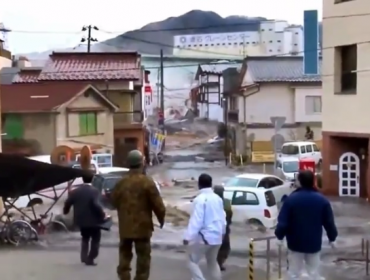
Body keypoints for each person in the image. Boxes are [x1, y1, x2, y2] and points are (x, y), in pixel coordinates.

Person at [111, 149, 166, 280]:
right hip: (143, 228)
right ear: (142, 163)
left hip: (125, 228)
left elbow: (113, 202)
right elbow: (158, 205)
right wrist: (161, 218)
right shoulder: (147, 182)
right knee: (143, 258)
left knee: (124, 256)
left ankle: (124, 277)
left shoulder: (121, 183)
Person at [275, 170, 338, 280]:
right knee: (314, 273)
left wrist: (279, 236)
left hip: (295, 244)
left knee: (294, 273)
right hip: (314, 244)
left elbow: (283, 222)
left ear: (299, 182)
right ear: (313, 182)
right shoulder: (322, 200)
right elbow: (329, 222)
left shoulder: (291, 200)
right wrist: (332, 238)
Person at [183, 174, 226, 280]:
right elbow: (223, 218)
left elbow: (196, 220)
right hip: (218, 236)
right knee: (212, 262)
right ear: (211, 184)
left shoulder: (200, 199)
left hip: (205, 237)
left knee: (191, 261)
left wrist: (188, 237)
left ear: (199, 184)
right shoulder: (218, 199)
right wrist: (223, 233)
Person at [63, 174, 106, 266]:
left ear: (82, 179)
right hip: (94, 221)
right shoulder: (94, 191)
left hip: (81, 220)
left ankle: (84, 257)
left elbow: (68, 202)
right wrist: (103, 215)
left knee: (85, 238)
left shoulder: (76, 191)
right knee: (95, 239)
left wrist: (65, 211)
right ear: (92, 179)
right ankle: (90, 258)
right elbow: (96, 204)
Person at [214, 185, 233, 271]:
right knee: (224, 248)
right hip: (223, 229)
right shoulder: (226, 202)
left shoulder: (211, 202)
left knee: (220, 247)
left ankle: (217, 263)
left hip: (215, 229)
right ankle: (218, 263)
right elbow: (230, 216)